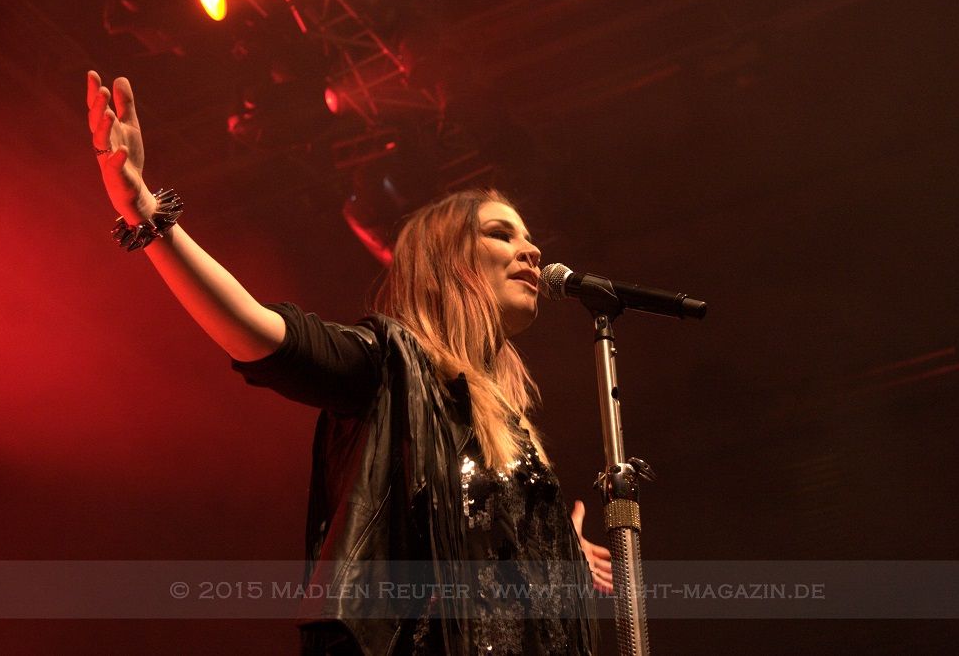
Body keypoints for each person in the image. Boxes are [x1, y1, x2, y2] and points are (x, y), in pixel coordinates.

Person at [86, 71, 613, 655]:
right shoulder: (392, 368)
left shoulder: (510, 426)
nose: (532, 250)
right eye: (501, 234)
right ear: (448, 264)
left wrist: (552, 549)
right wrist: (146, 213)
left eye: (528, 237)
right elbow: (258, 331)